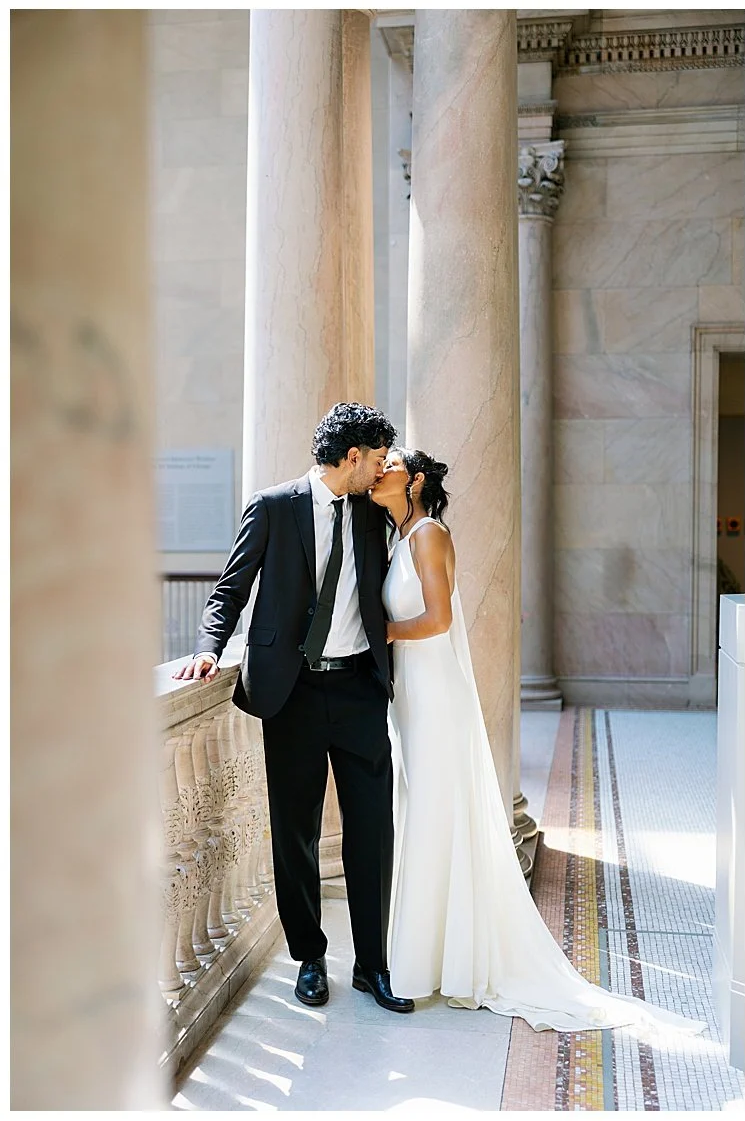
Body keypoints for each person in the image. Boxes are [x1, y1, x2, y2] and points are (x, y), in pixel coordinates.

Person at [370, 447, 705, 1035]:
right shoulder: (399, 537)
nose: (379, 471)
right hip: (412, 695)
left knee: (433, 814)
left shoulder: (428, 536)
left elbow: (439, 620)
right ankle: (434, 956)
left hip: (434, 693)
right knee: (424, 813)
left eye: (390, 464)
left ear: (415, 479)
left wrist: (380, 633)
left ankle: (438, 965)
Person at [174, 402, 414, 1014]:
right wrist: (208, 648)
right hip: (293, 693)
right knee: (295, 830)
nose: (382, 467)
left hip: (359, 688)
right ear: (352, 456)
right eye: (377, 457)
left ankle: (373, 964)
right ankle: (309, 957)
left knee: (372, 831)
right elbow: (230, 588)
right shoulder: (273, 506)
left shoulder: (371, 509)